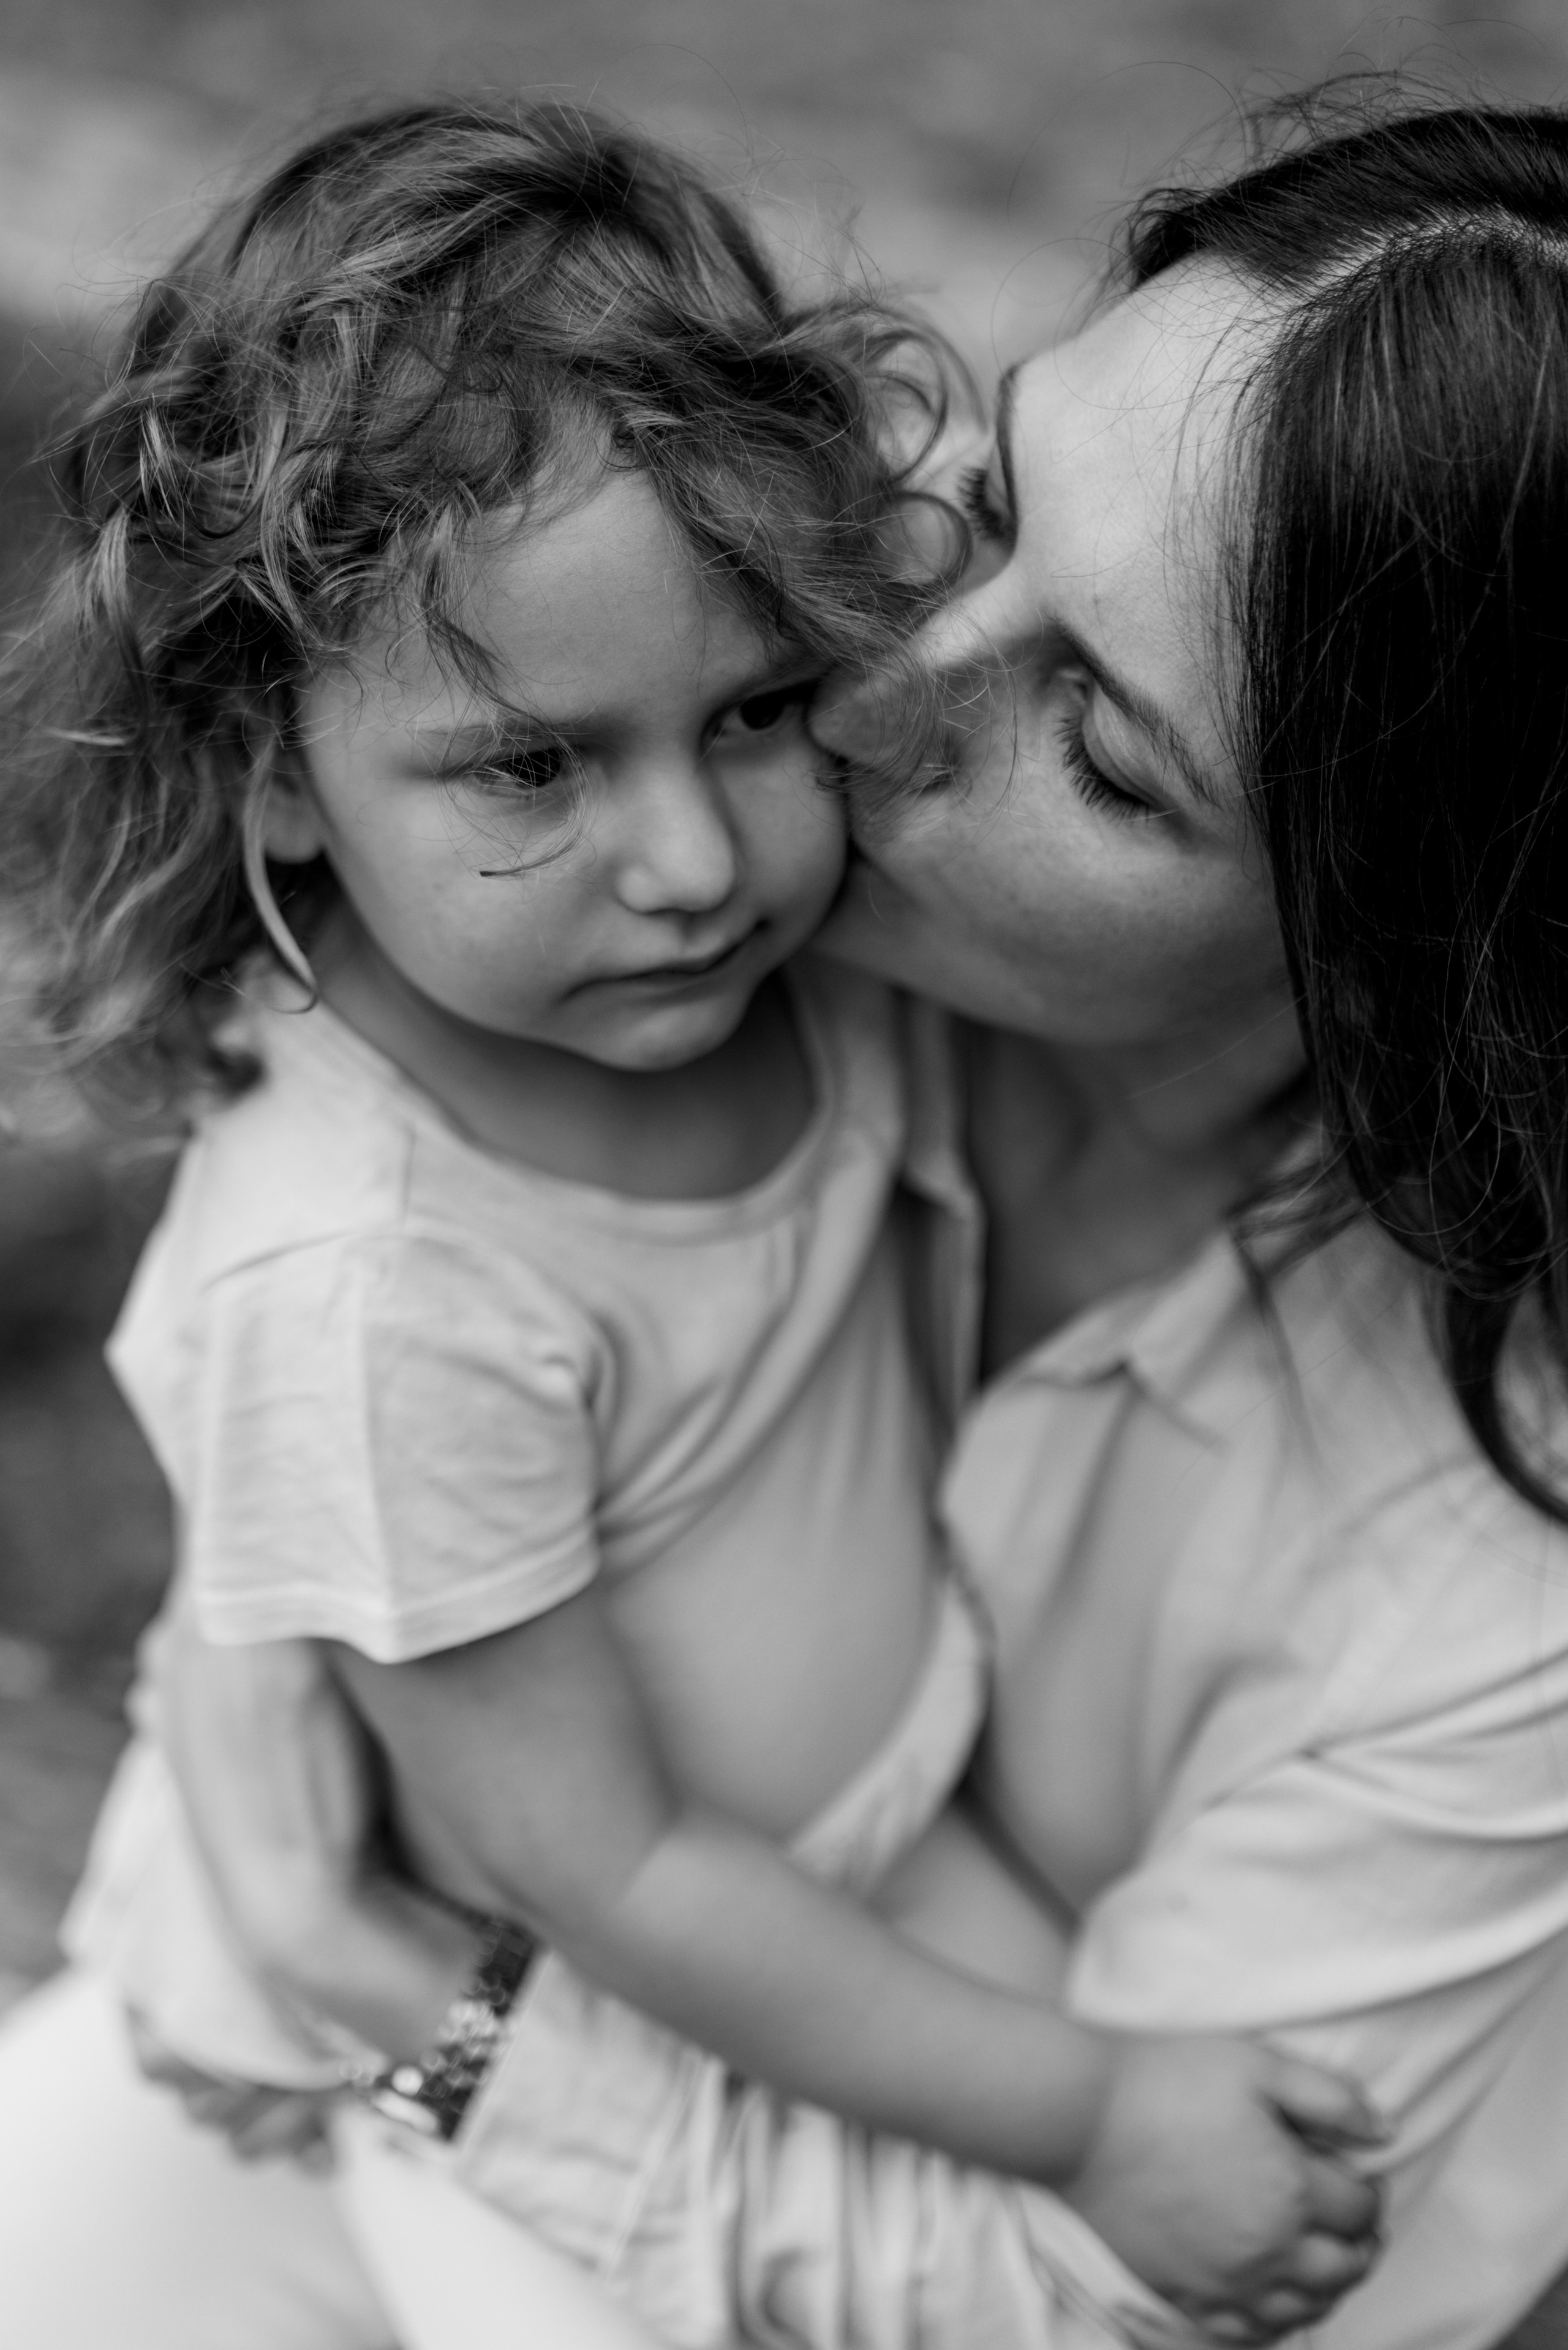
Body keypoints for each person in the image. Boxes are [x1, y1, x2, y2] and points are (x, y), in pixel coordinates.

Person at [109, 87, 1568, 2350]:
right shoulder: (681, 970)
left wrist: (397, 1993)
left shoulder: (1484, 1583)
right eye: (978, 508)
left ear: (1405, 942)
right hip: (300, 2103)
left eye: (1100, 747)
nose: (857, 688)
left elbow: (1097, 2289)